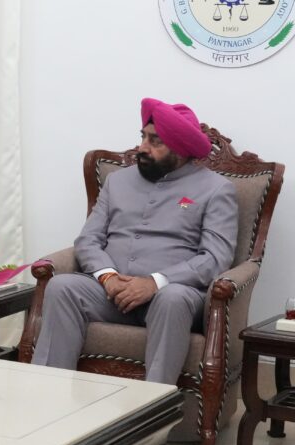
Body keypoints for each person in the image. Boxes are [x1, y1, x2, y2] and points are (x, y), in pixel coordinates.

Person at [31, 98, 238, 384]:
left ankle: (154, 404)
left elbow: (215, 258)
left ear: (180, 148)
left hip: (172, 296)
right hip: (111, 292)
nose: (142, 147)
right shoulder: (118, 181)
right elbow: (88, 239)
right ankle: (47, 391)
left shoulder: (216, 189)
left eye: (155, 141)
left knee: (172, 299)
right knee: (62, 286)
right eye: (143, 137)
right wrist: (108, 276)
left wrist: (155, 282)